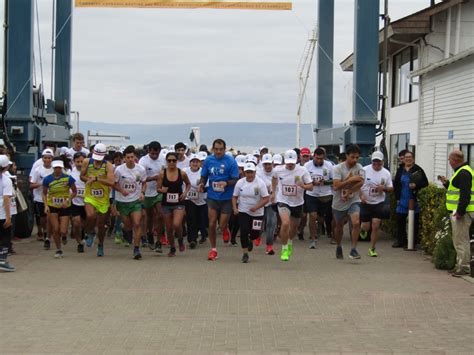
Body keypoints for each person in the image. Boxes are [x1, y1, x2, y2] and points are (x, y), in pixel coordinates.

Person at [199, 139, 240, 261]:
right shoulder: (208, 160)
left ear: (225, 149)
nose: (218, 151)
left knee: (222, 225)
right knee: (211, 223)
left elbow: (236, 179)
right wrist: (202, 184)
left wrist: (226, 183)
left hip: (227, 198)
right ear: (213, 149)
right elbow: (204, 175)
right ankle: (213, 250)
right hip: (212, 197)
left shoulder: (231, 161)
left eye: (221, 149)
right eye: (216, 149)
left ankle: (225, 229)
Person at [271, 150, 313, 261]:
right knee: (285, 223)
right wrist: (274, 192)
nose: (290, 164)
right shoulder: (278, 170)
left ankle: (289, 242)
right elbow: (274, 178)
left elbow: (311, 186)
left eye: (292, 162)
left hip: (297, 203)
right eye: (288, 162)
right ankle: (284, 248)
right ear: (285, 161)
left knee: (293, 228)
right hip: (283, 200)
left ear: (297, 160)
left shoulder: (303, 170)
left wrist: (303, 186)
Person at [439, 150, 473, 277]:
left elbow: (465, 194)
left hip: (463, 212)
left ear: (455, 160)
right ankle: (460, 265)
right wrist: (447, 184)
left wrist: (460, 212)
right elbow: (458, 191)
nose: (449, 163)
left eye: (449, 160)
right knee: (459, 239)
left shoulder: (463, 172)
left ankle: (463, 267)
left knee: (461, 240)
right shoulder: (463, 171)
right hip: (462, 211)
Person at [80, 143, 115, 257]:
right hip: (90, 195)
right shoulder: (87, 162)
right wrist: (88, 180)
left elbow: (111, 182)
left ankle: (100, 244)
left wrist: (97, 179)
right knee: (90, 216)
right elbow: (82, 176)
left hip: (103, 198)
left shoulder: (108, 166)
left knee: (101, 225)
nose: (97, 161)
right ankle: (89, 233)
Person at [332, 144, 365, 260]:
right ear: (346, 156)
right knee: (339, 226)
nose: (355, 160)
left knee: (356, 223)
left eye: (357, 157)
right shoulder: (337, 169)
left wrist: (350, 190)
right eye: (352, 157)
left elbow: (361, 182)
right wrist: (350, 179)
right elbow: (336, 186)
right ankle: (338, 245)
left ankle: (353, 249)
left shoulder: (359, 167)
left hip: (353, 200)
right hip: (338, 202)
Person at [114, 146, 147, 260]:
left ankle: (136, 249)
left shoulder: (141, 169)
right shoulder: (119, 170)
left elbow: (144, 183)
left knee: (137, 223)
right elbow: (114, 183)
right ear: (124, 158)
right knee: (128, 226)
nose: (130, 159)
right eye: (128, 157)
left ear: (135, 157)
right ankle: (124, 229)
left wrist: (142, 192)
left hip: (135, 201)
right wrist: (121, 190)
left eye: (132, 157)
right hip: (123, 202)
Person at [232, 162, 270, 263]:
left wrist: (256, 207)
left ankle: (251, 239)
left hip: (257, 212)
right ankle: (245, 253)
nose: (249, 174)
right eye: (247, 172)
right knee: (244, 230)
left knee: (255, 233)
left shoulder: (260, 183)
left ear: (255, 172)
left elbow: (266, 198)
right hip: (243, 210)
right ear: (244, 173)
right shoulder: (240, 182)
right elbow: (234, 197)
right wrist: (235, 208)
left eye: (251, 172)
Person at [360, 151, 393, 257]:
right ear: (372, 161)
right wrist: (361, 196)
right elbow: (356, 185)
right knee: (366, 226)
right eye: (374, 162)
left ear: (382, 162)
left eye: (379, 162)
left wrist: (384, 188)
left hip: (378, 202)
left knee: (375, 225)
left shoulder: (386, 173)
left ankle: (372, 248)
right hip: (366, 202)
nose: (376, 165)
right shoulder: (364, 170)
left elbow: (391, 188)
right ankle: (363, 230)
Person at [157, 152, 191, 257]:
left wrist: (185, 193)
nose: (171, 162)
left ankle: (180, 240)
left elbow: (188, 184)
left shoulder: (182, 173)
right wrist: (162, 190)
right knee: (169, 228)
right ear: (166, 162)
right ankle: (172, 247)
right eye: (169, 160)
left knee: (176, 224)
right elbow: (158, 188)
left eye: (174, 160)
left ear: (177, 161)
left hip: (179, 202)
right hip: (166, 203)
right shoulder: (162, 174)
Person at [392, 151, 428, 248]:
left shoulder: (418, 169)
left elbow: (425, 183)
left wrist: (416, 185)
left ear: (413, 158)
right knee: (400, 221)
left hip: (413, 199)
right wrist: (397, 197)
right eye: (406, 157)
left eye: (410, 157)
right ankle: (400, 241)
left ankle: (413, 242)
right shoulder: (400, 170)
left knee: (414, 222)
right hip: (402, 199)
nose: (408, 159)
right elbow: (396, 184)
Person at [42, 158, 77, 258]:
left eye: (59, 168)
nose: (57, 169)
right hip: (52, 206)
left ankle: (64, 236)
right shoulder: (47, 179)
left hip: (65, 207)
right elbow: (44, 193)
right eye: (56, 167)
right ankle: (58, 249)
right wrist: (46, 205)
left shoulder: (68, 178)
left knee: (63, 230)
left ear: (62, 168)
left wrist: (68, 200)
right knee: (55, 228)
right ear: (53, 168)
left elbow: (74, 191)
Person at [304, 147, 334, 249]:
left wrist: (324, 182)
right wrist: (313, 182)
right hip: (311, 194)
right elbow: (304, 181)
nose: (319, 160)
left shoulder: (329, 165)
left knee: (321, 217)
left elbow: (334, 180)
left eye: (321, 159)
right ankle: (313, 239)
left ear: (324, 157)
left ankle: (321, 226)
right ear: (314, 157)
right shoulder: (307, 166)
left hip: (325, 195)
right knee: (312, 215)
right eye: (317, 158)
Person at [139, 141, 164, 250]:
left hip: (159, 192)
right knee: (149, 217)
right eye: (152, 153)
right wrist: (154, 178)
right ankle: (149, 234)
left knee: (160, 215)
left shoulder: (163, 159)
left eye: (156, 154)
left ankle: (159, 240)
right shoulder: (143, 161)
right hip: (147, 191)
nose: (154, 156)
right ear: (149, 151)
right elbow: (139, 178)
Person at [30, 149, 54, 249]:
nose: (47, 160)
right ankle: (45, 232)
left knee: (50, 218)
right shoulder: (37, 170)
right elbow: (31, 185)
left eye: (49, 158)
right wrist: (42, 184)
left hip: (53, 198)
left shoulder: (55, 169)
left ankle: (48, 236)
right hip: (40, 198)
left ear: (52, 159)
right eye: (45, 158)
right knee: (43, 218)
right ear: (42, 158)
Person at [183, 154, 208, 248]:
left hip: (201, 200)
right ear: (190, 163)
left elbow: (208, 187)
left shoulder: (203, 172)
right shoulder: (185, 171)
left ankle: (201, 235)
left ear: (200, 163)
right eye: (193, 162)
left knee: (201, 220)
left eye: (197, 162)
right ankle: (192, 240)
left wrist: (203, 189)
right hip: (189, 199)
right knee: (191, 219)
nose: (195, 163)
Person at [257, 153, 276, 255]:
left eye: (269, 164)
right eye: (265, 164)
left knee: (270, 223)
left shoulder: (276, 172)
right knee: (259, 222)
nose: (267, 166)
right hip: (260, 201)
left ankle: (269, 246)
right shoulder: (258, 173)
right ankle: (257, 236)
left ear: (272, 163)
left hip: (272, 202)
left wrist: (273, 191)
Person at [0, 155, 15, 271]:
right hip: (1, 213)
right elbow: (6, 199)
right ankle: (2, 260)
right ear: (6, 167)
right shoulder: (6, 180)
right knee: (5, 236)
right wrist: (8, 217)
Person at [70, 152, 87, 253]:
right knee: (76, 223)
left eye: (82, 161)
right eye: (78, 161)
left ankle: (84, 235)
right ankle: (79, 242)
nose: (80, 163)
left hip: (86, 202)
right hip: (75, 201)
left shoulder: (89, 172)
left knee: (84, 224)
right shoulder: (71, 173)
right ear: (74, 162)